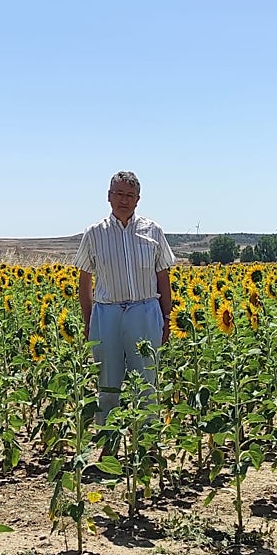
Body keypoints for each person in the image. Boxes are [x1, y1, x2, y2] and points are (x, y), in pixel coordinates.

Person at [73, 171, 176, 427]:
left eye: (130, 195)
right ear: (109, 196)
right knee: (108, 382)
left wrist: (167, 317)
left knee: (147, 380)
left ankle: (147, 444)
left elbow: (163, 276)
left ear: (138, 199)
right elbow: (84, 282)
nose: (124, 200)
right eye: (119, 194)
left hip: (145, 311)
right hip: (107, 314)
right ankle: (108, 443)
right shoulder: (94, 233)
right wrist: (89, 322)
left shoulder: (153, 230)